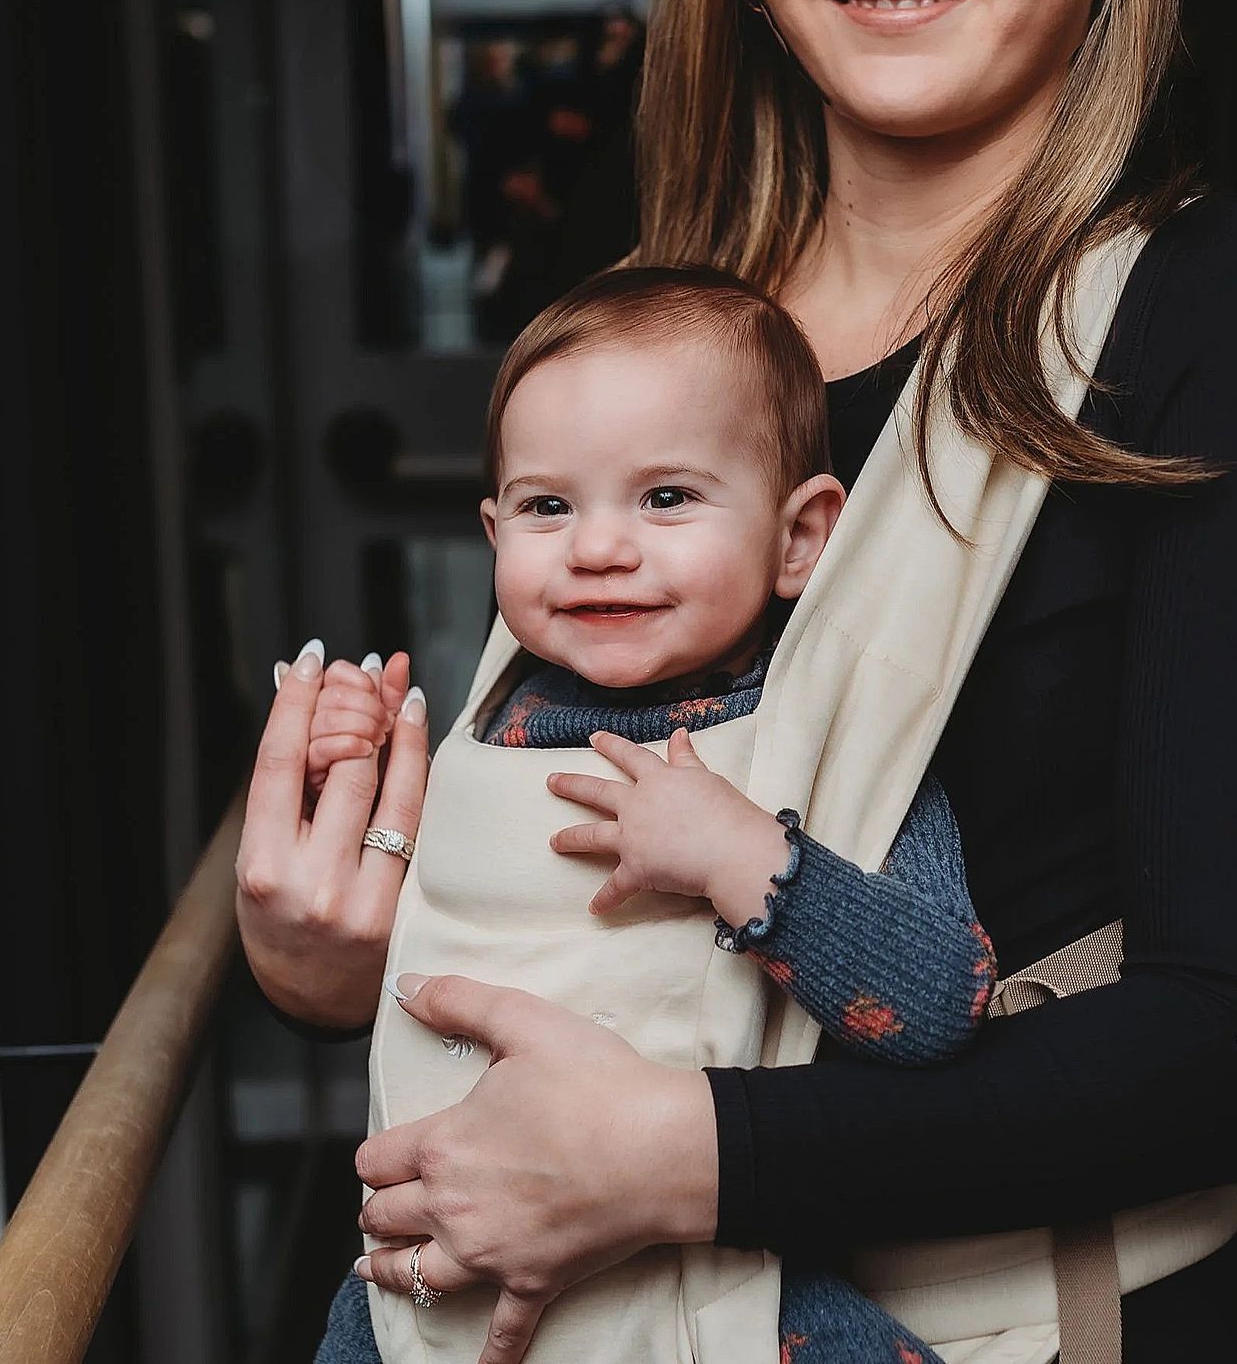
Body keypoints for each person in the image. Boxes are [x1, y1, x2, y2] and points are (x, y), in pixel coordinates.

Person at [236, 0, 1237, 1361]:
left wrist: (685, 1161)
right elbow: (585, 859)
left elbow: (1234, 1042)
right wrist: (338, 959)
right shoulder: (656, 318)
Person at [304, 265, 995, 1364]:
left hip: (726, 1301)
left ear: (799, 536)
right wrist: (346, 770)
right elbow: (418, 918)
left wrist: (745, 859)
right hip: (421, 1301)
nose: (597, 548)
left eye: (666, 497)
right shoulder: (483, 728)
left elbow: (941, 1006)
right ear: (493, 533)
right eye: (547, 506)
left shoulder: (826, 744)